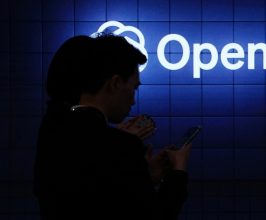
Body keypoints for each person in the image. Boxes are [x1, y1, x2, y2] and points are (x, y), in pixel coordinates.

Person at [33, 34, 192, 220]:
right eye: (134, 88)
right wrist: (178, 173)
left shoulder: (53, 129)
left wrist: (141, 175)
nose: (133, 100)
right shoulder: (121, 147)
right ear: (115, 83)